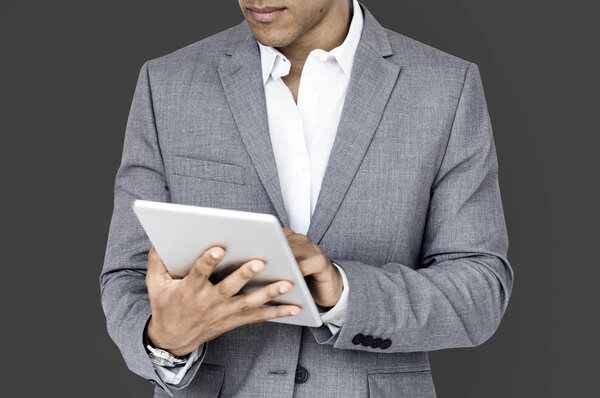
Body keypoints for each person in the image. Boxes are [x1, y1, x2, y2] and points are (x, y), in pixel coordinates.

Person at [100, 0, 514, 397]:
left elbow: (480, 289)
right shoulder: (168, 83)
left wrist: (345, 292)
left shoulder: (445, 86)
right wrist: (164, 341)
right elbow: (127, 275)